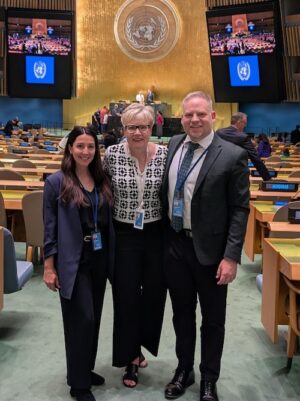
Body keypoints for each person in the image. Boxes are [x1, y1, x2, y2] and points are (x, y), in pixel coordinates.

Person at [162, 92, 250, 401]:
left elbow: (240, 209)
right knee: (181, 316)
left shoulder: (231, 155)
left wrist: (231, 256)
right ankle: (184, 370)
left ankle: (209, 379)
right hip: (175, 246)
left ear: (213, 116)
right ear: (181, 118)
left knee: (213, 320)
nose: (194, 119)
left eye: (201, 114)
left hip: (212, 253)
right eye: (189, 115)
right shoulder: (173, 145)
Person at [43, 126, 115, 401]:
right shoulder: (56, 182)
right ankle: (79, 385)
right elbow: (49, 228)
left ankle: (83, 369)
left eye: (90, 147)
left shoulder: (101, 179)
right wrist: (49, 267)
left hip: (99, 258)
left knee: (93, 318)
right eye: (80, 146)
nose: (85, 151)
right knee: (80, 320)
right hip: (73, 260)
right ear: (70, 148)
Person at [103, 103, 167, 388]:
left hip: (156, 233)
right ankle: (130, 357)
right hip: (124, 233)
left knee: (153, 295)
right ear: (123, 129)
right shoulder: (112, 154)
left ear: (151, 129)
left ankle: (143, 345)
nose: (137, 132)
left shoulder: (165, 154)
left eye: (143, 127)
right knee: (126, 297)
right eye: (131, 127)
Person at [216, 112, 271, 181]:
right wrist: (267, 178)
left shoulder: (218, 132)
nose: (245, 125)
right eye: (244, 123)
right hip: (237, 176)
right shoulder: (243, 137)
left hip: (218, 173)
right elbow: (255, 158)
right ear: (239, 122)